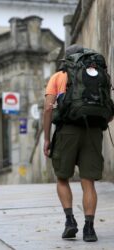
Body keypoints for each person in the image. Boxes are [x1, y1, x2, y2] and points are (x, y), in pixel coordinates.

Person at [44, 44, 114, 242]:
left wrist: (47, 138)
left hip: (67, 131)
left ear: (66, 61)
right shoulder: (97, 75)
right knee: (88, 181)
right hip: (93, 131)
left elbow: (48, 109)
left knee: (62, 178)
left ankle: (70, 221)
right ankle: (89, 229)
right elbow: (107, 111)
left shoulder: (58, 77)